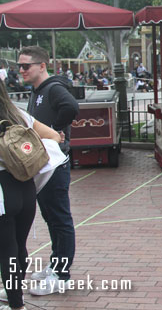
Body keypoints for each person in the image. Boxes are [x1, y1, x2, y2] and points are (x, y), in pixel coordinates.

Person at [17, 46, 79, 295]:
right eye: (19, 66)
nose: (21, 70)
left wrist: (55, 130)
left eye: (26, 66)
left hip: (54, 164)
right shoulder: (37, 92)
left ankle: (62, 275)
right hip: (44, 164)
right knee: (52, 218)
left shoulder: (53, 88)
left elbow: (71, 107)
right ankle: (56, 264)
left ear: (42, 66)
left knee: (59, 218)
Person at [0, 80, 62, 310]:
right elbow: (54, 136)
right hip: (25, 187)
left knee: (6, 250)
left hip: (2, 193)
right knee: (18, 247)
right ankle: (17, 300)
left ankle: (15, 302)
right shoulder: (17, 114)